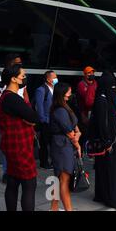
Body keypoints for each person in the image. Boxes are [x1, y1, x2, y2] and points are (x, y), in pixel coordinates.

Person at [0, 64, 40, 211]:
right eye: (23, 75)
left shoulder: (7, 97)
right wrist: (30, 119)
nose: (25, 78)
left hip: (11, 146)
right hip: (19, 147)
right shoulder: (12, 98)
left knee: (13, 181)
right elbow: (34, 116)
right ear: (14, 79)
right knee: (29, 184)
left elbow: (31, 117)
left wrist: (29, 118)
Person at [0, 53, 30, 183]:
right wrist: (2, 115)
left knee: (20, 144)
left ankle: (18, 170)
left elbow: (25, 96)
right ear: (10, 63)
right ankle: (8, 172)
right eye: (17, 63)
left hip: (21, 117)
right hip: (7, 116)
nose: (20, 66)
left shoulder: (20, 77)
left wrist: (28, 112)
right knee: (8, 145)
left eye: (21, 64)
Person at [91, 71, 116, 210]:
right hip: (108, 142)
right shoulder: (102, 99)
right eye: (111, 85)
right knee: (111, 170)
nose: (113, 87)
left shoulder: (105, 97)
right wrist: (107, 142)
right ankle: (113, 198)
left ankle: (105, 195)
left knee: (106, 169)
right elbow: (103, 123)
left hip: (111, 140)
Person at [49, 82, 81, 211]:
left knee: (59, 179)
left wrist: (78, 133)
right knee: (64, 179)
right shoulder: (60, 109)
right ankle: (69, 209)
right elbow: (69, 131)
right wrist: (78, 145)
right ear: (62, 93)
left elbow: (73, 127)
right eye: (68, 91)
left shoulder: (64, 106)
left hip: (63, 145)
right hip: (62, 146)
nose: (70, 94)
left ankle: (54, 208)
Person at [35, 70, 58, 169]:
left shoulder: (55, 89)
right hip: (46, 122)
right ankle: (44, 162)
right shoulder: (41, 90)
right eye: (54, 77)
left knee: (53, 142)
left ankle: (53, 161)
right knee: (44, 143)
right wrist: (44, 120)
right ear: (48, 79)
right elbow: (39, 107)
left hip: (54, 121)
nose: (56, 79)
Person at [77, 66, 98, 153]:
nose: (91, 74)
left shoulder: (95, 83)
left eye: (92, 72)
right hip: (84, 111)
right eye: (89, 73)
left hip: (94, 110)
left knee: (93, 130)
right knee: (85, 131)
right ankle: (81, 150)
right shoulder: (81, 84)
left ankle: (91, 149)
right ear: (85, 74)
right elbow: (87, 99)